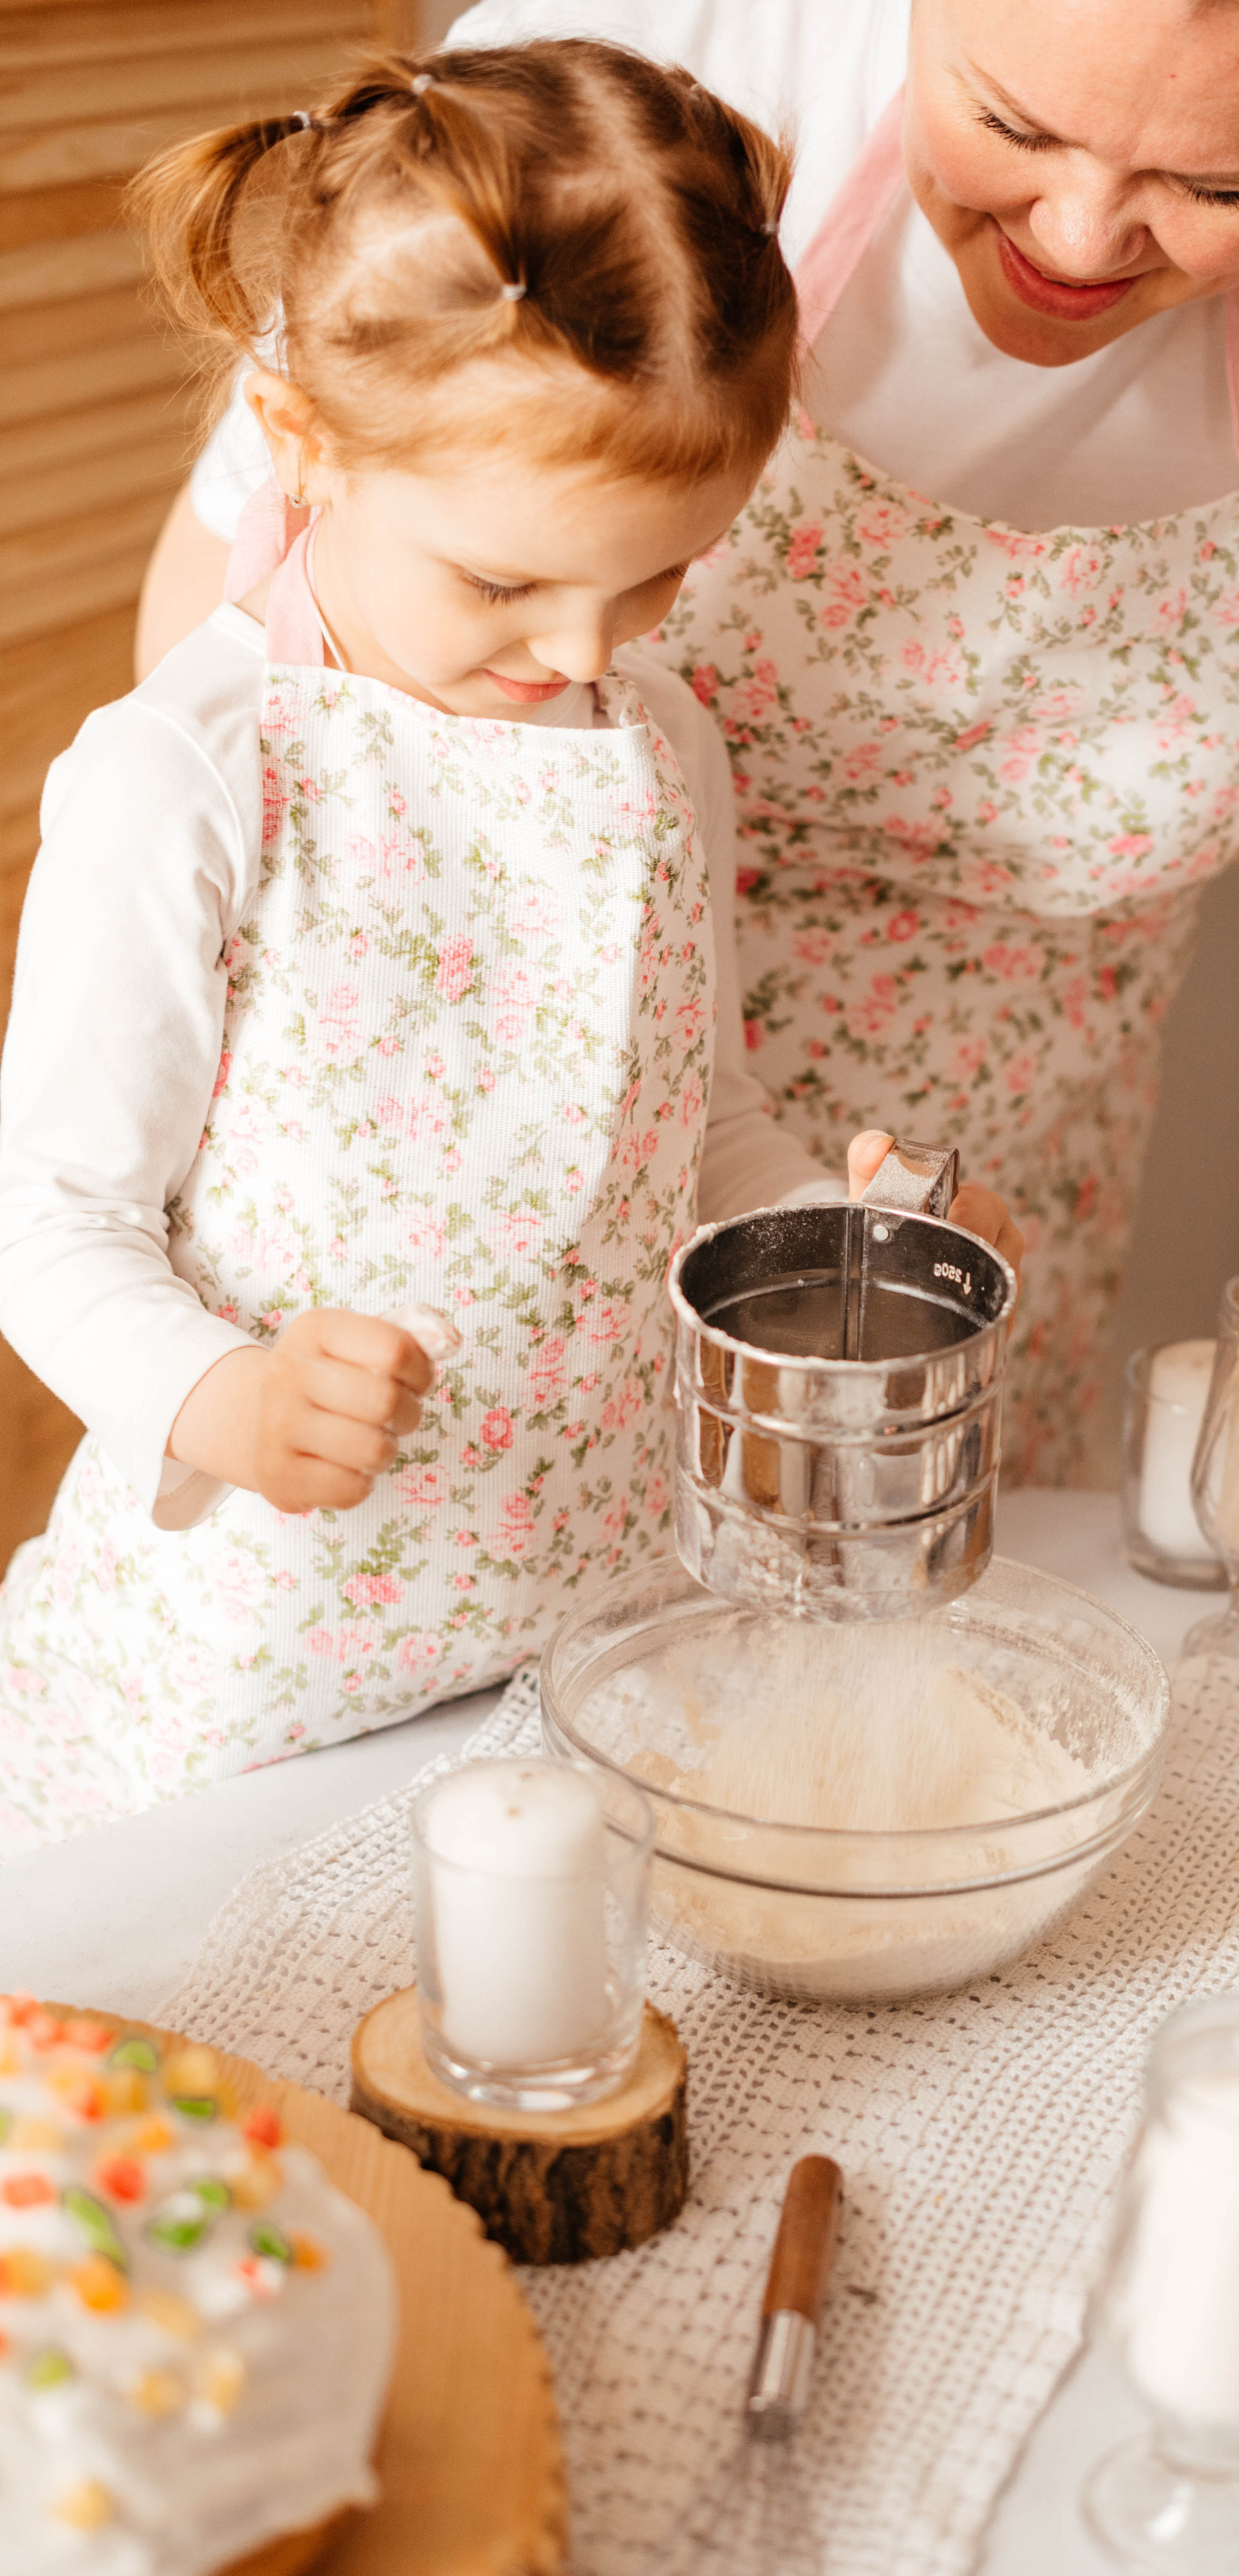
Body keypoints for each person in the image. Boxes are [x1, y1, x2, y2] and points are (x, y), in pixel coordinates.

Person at [139, 0, 1239, 1674]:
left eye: (1221, 182)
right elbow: (251, 675)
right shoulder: (623, 76)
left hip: (924, 1336)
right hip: (413, 1320)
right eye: (1014, 126)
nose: (1080, 232)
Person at [0, 37, 1021, 1850]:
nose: (576, 647)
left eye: (652, 578)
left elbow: (691, 1130)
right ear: (302, 440)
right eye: (502, 581)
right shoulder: (189, 780)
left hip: (570, 1638)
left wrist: (839, 1235)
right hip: (238, 1685)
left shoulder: (655, 751)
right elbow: (47, 1223)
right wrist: (222, 1397)